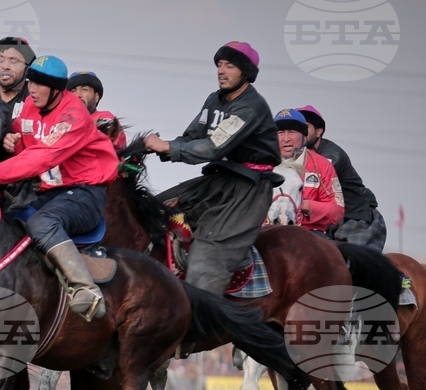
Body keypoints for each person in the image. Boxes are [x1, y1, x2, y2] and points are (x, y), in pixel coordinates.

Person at [143, 41, 282, 296]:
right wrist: (153, 148)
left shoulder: (251, 106)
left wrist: (166, 146)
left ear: (246, 73)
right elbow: (191, 138)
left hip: (249, 187)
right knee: (151, 209)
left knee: (209, 251)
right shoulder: (214, 100)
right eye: (219, 64)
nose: (221, 71)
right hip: (221, 178)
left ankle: (200, 312)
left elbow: (213, 147)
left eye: (230, 66)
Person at [0, 55, 119, 321]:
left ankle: (86, 289)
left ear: (57, 90)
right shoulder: (30, 105)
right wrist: (12, 141)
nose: (32, 90)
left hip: (85, 193)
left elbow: (44, 156)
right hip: (51, 192)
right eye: (30, 83)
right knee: (10, 222)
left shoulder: (74, 115)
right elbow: (27, 142)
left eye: (39, 85)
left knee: (42, 223)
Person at [297, 105, 387, 251]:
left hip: (353, 219)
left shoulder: (331, 157)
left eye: (305, 126)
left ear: (319, 131)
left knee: (350, 260)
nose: (300, 131)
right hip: (327, 219)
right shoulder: (299, 156)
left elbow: (305, 192)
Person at [274, 108, 344, 233]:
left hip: (309, 233)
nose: (286, 138)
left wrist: (304, 205)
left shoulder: (322, 165)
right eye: (280, 132)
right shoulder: (261, 165)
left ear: (304, 137)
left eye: (292, 132)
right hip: (268, 231)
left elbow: (337, 211)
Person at [66, 71, 126, 149]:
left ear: (96, 96)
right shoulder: (60, 123)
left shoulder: (105, 119)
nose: (77, 95)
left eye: (84, 89)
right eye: (73, 91)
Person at [0, 36, 36, 122]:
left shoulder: (34, 96)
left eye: (13, 61)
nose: (5, 67)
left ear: (27, 67)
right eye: (1, 60)